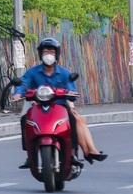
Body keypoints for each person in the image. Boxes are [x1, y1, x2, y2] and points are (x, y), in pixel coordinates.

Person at [13, 38, 107, 168]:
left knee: (72, 120)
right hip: (38, 105)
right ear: (40, 54)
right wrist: (18, 93)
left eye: (52, 51)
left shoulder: (64, 72)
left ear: (57, 54)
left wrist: (72, 93)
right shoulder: (33, 71)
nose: (48, 55)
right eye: (45, 52)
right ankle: (30, 155)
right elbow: (24, 83)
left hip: (60, 106)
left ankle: (73, 153)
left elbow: (70, 86)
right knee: (25, 119)